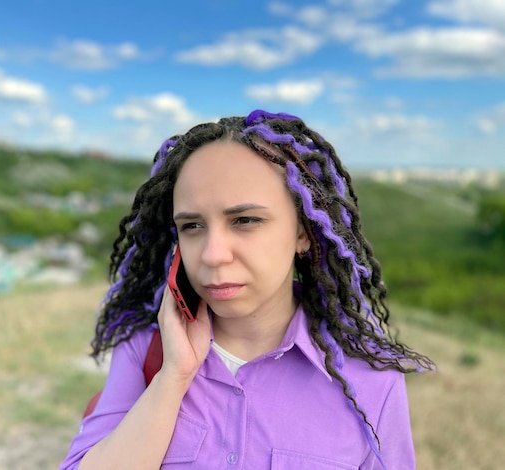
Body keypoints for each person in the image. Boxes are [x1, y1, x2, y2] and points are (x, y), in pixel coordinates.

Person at [59, 110, 434, 470]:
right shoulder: (145, 351)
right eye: (192, 226)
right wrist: (172, 378)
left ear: (303, 232)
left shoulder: (371, 377)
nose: (213, 254)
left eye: (245, 220)